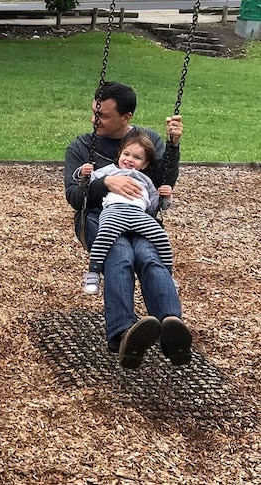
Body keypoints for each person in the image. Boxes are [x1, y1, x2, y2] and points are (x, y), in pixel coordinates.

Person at [63, 81, 192, 370]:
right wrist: (104, 181)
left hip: (141, 219)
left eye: (104, 116)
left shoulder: (149, 142)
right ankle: (122, 334)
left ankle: (173, 331)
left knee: (149, 257)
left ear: (127, 117)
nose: (95, 120)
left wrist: (173, 146)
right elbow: (74, 196)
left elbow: (163, 183)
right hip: (98, 217)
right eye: (95, 113)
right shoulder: (83, 145)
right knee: (120, 254)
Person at [74, 132, 174, 295]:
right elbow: (89, 183)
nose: (129, 159)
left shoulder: (145, 180)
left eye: (137, 157)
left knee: (161, 238)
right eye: (126, 154)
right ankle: (93, 274)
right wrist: (83, 173)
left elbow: (155, 206)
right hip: (113, 211)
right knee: (104, 236)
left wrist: (166, 196)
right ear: (119, 154)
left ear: (145, 163)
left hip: (138, 215)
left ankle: (168, 276)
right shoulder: (109, 171)